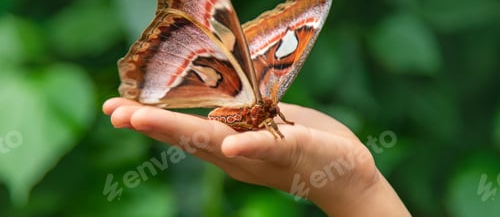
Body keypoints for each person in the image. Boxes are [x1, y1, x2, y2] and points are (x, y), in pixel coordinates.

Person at [103, 98, 411, 216]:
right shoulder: (257, 110)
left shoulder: (268, 113)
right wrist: (360, 187)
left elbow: (273, 121)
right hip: (229, 116)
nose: (274, 115)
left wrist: (357, 185)